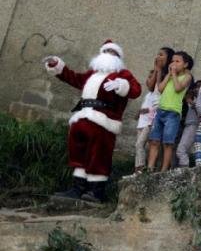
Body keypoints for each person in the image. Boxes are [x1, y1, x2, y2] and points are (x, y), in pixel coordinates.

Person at [43, 40, 141, 202]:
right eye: (106, 51)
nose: (108, 55)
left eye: (112, 52)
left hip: (103, 121)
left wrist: (121, 85)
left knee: (99, 154)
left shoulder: (122, 74)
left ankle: (96, 192)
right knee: (78, 153)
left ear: (118, 57)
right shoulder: (92, 74)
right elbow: (74, 78)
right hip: (82, 117)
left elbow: (136, 90)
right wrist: (57, 65)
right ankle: (78, 188)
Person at [147, 51, 193, 171]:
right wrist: (168, 74)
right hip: (160, 111)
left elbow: (178, 88)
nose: (173, 64)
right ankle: (150, 168)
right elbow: (160, 89)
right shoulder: (170, 76)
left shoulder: (187, 76)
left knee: (168, 143)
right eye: (172, 61)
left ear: (185, 65)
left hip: (173, 113)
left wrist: (173, 74)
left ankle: (163, 170)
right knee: (154, 141)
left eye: (177, 61)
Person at [175, 83, 201, 167]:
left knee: (181, 150)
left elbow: (200, 113)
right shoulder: (194, 98)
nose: (196, 89)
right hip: (188, 125)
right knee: (185, 150)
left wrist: (191, 102)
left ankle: (184, 169)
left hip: (193, 125)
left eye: (199, 87)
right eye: (196, 87)